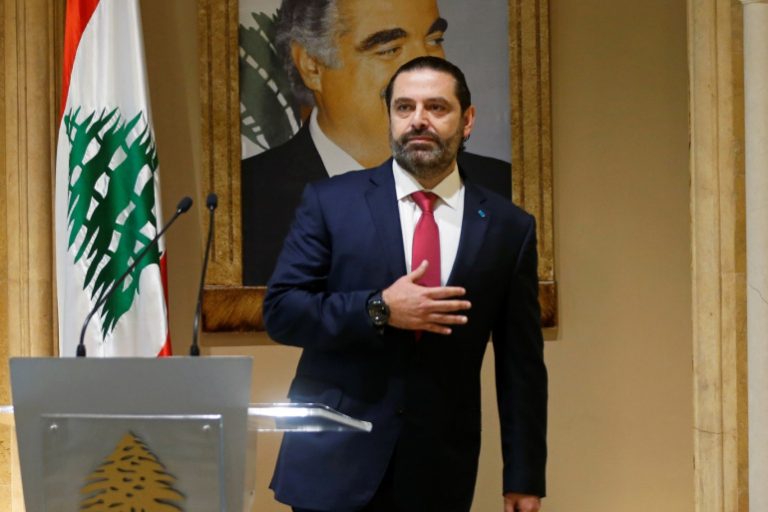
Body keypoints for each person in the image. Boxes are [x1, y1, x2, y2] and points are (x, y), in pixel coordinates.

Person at [264, 56, 547, 512]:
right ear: (391, 118)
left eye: (436, 107)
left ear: (467, 120)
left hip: (437, 471)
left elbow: (522, 367)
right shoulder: (331, 202)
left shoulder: (507, 227)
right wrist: (379, 309)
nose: (418, 120)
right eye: (404, 107)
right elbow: (282, 312)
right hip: (332, 464)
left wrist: (523, 477)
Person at [241, 0, 511, 284]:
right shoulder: (246, 202)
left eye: (434, 40)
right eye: (389, 49)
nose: (426, 71)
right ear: (312, 66)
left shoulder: (501, 188)